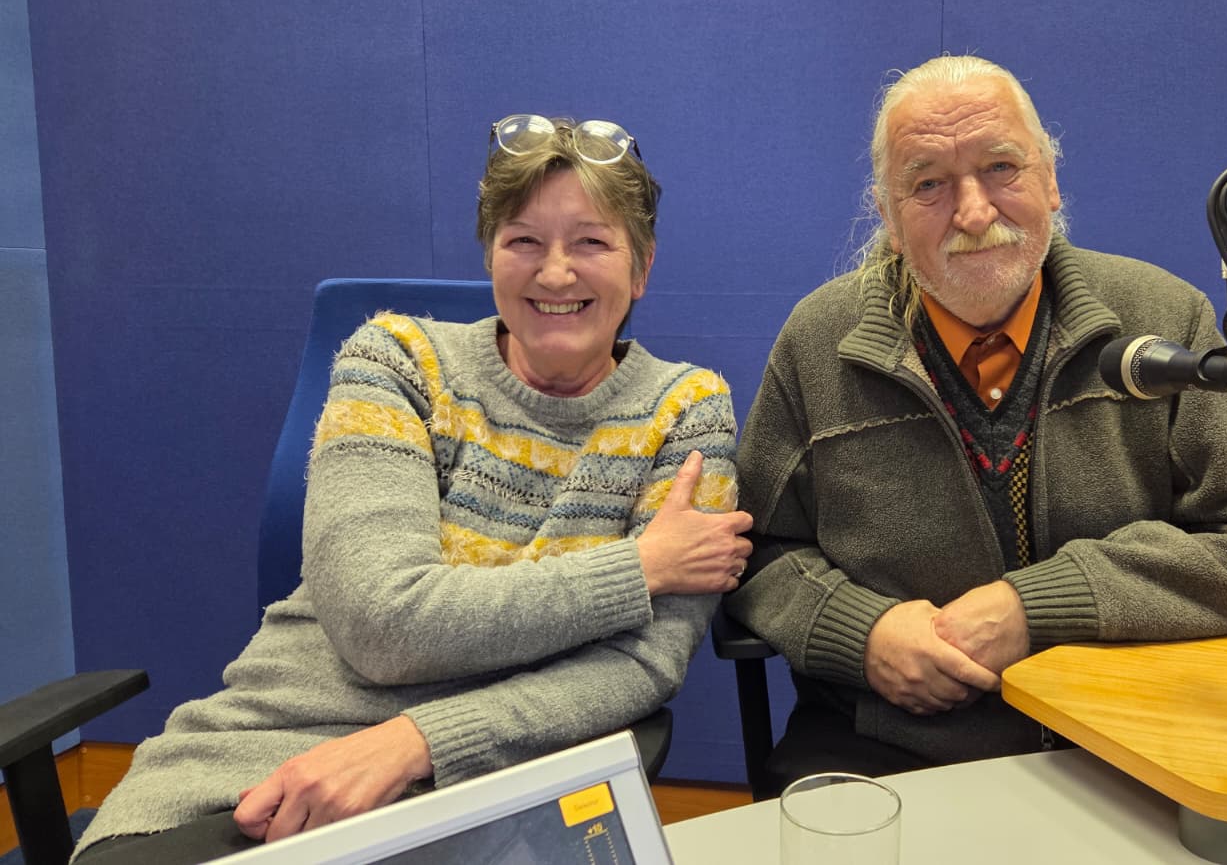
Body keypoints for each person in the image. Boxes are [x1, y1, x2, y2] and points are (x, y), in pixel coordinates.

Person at [73, 115, 752, 862]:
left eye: (591, 242)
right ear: (491, 255)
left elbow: (642, 666)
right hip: (265, 762)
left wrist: (413, 742)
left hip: (502, 785)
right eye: (524, 240)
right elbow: (383, 627)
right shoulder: (395, 361)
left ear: (641, 267)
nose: (556, 273)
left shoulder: (688, 410)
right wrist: (640, 568)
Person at [725, 55, 1227, 792]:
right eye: (928, 184)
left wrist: (1037, 608)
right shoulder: (817, 343)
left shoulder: (1163, 319)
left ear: (1051, 180)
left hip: (1130, 738)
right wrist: (862, 633)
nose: (974, 213)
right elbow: (756, 552)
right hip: (887, 744)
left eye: (1001, 167)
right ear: (887, 215)